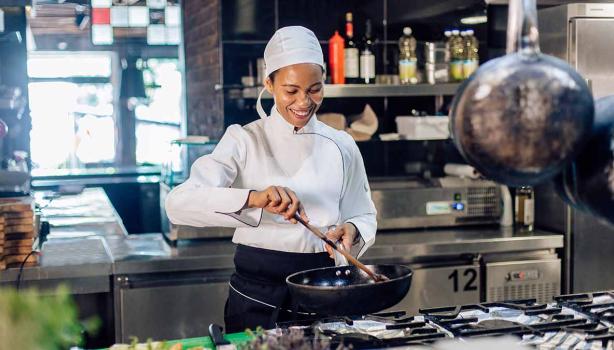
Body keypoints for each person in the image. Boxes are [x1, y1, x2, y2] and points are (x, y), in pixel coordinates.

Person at [165, 26, 377, 333]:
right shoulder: (243, 139)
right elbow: (179, 203)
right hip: (257, 298)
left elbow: (364, 212)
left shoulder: (342, 144)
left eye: (314, 89)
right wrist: (254, 198)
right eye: (291, 91)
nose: (304, 102)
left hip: (326, 293)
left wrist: (352, 230)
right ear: (269, 83)